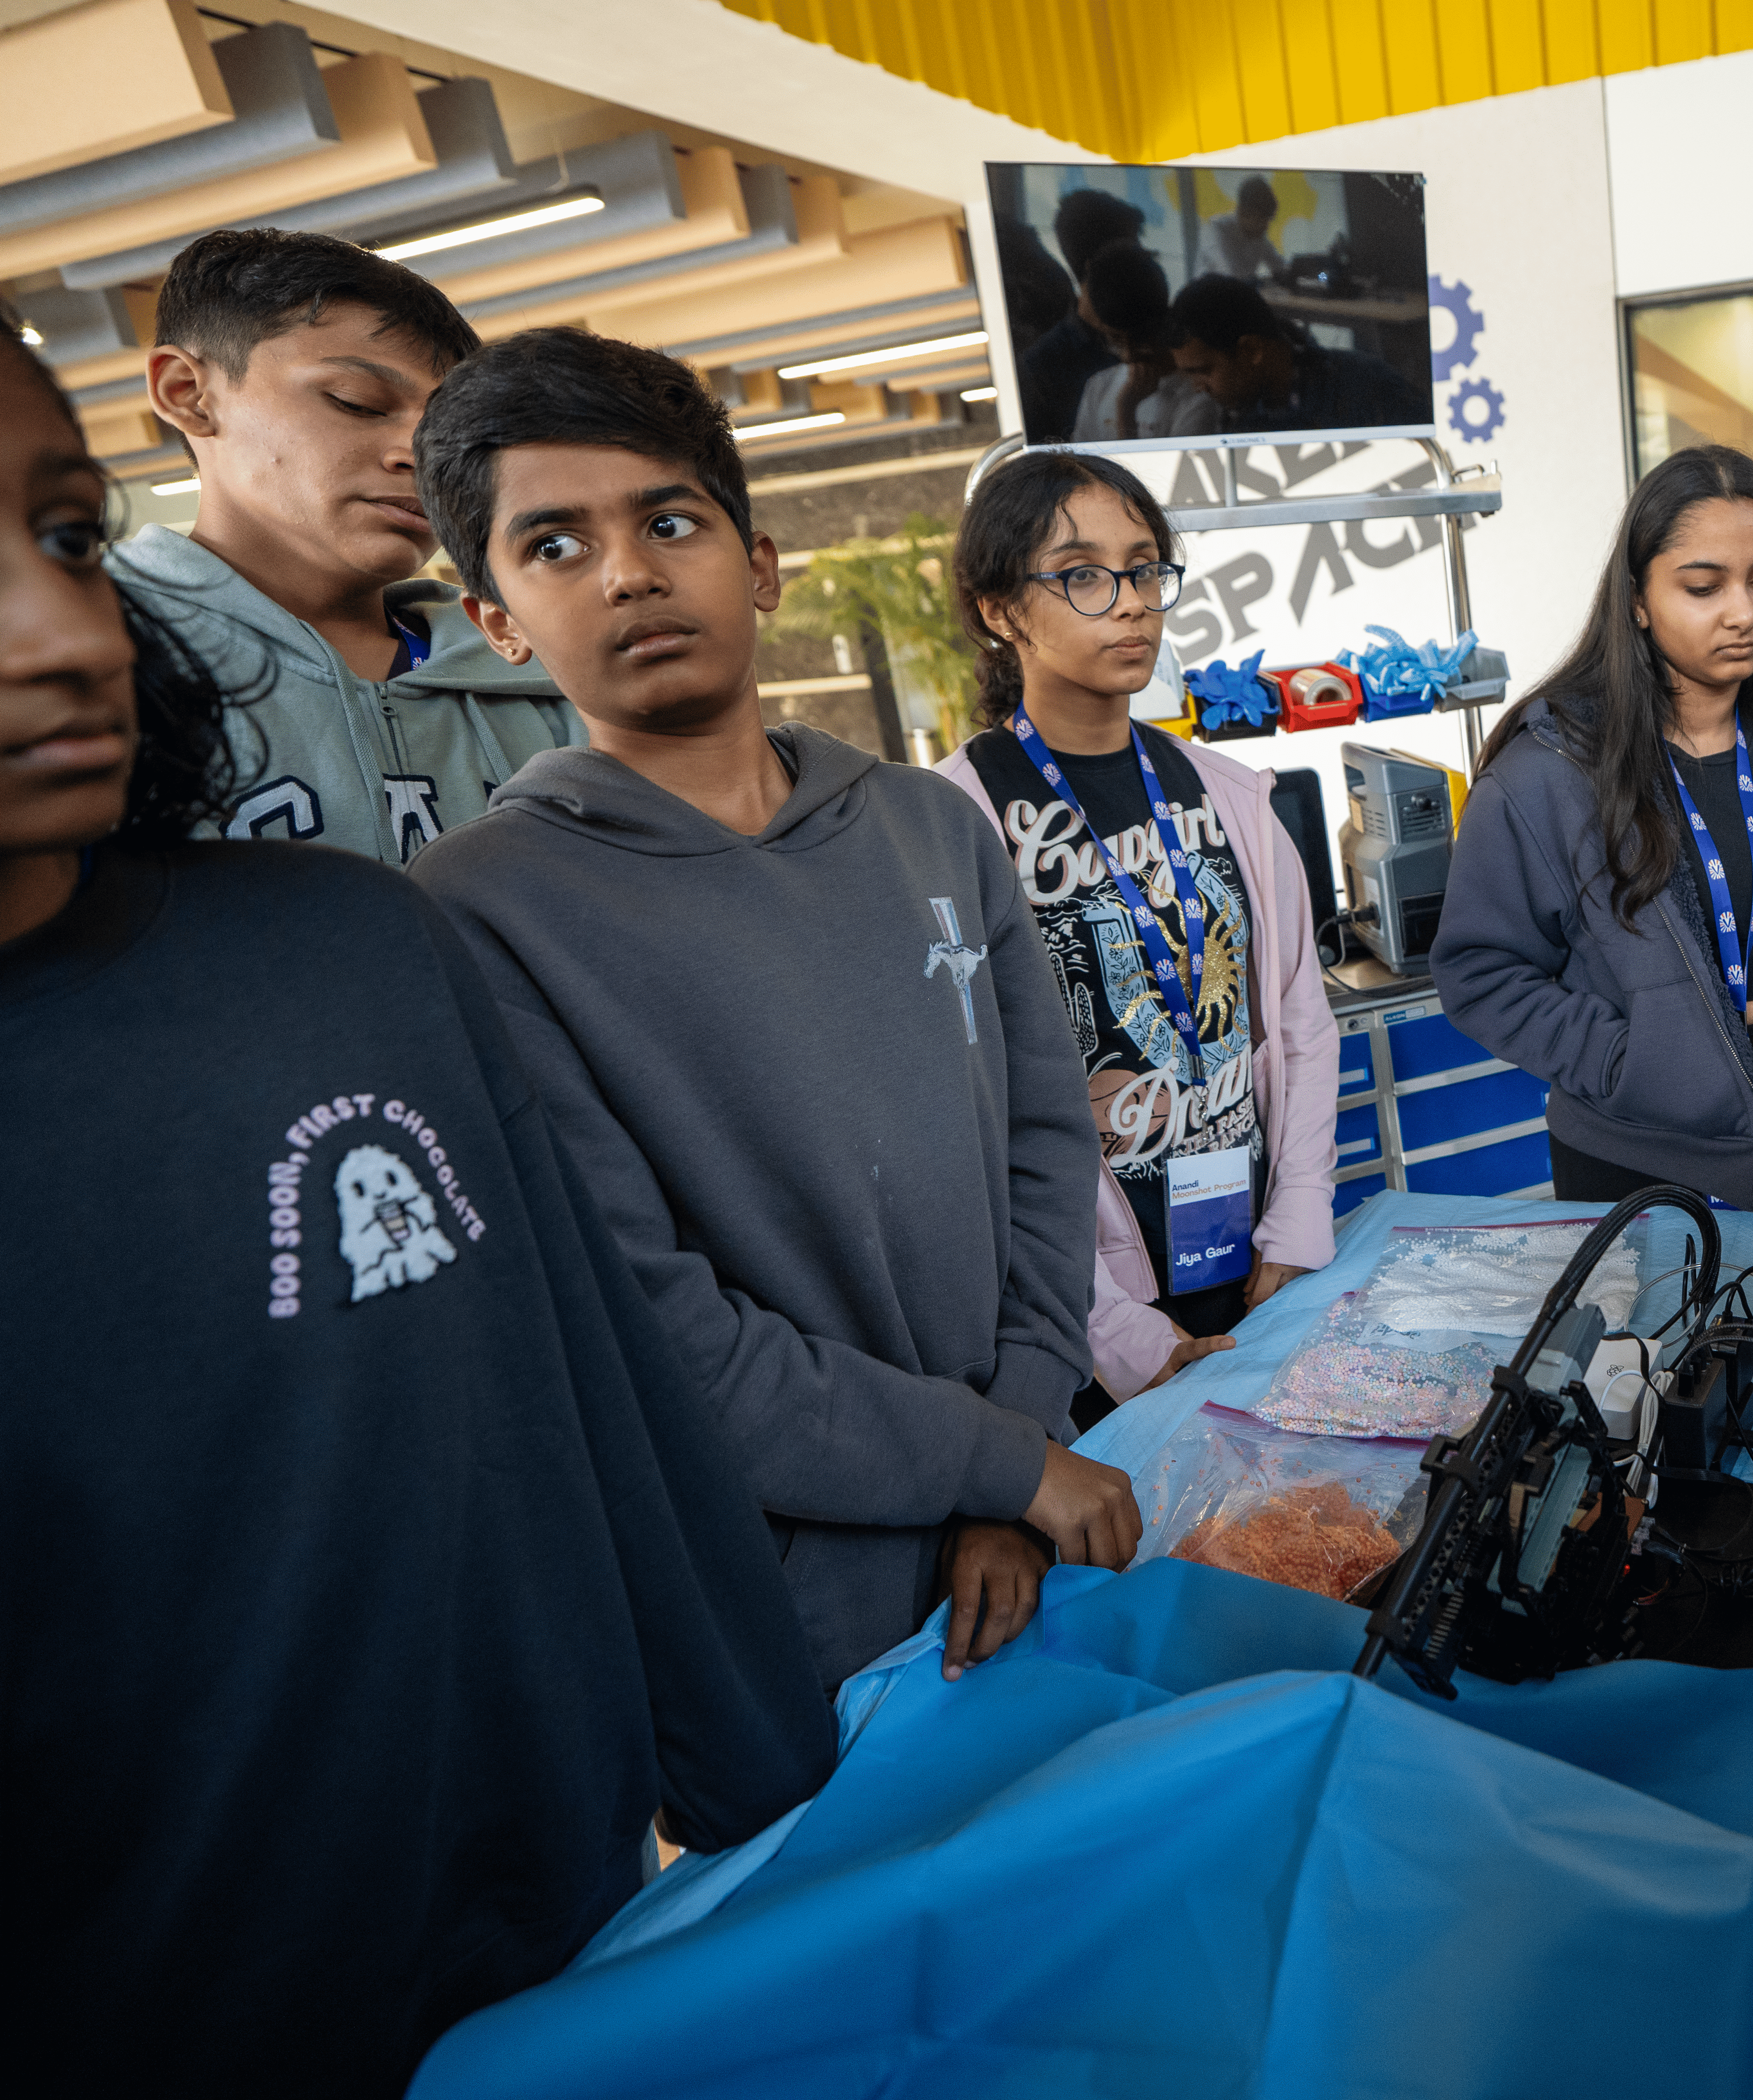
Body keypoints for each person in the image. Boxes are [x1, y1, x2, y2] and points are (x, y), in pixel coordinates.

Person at [0, 325, 831, 2095]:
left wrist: (781, 1810)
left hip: (578, 1956)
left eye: (67, 541)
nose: (59, 637)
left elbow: (597, 1385)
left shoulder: (344, 946)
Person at [406, 328, 1132, 1693]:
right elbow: (652, 1333)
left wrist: (1017, 1455)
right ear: (495, 619)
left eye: (669, 519)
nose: (628, 570)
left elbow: (1046, 1150)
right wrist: (999, 1463)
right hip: (782, 1615)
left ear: (758, 563)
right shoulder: (479, 909)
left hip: (1033, 1530)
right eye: (553, 546)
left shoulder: (927, 826)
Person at [935, 449, 1336, 1418]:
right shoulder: (952, 822)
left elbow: (1299, 1018)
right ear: (999, 608)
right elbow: (970, 1123)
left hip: (1259, 1264)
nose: (1130, 602)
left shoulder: (1230, 792)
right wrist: (1118, 1332)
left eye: (1146, 567)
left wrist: (1295, 1228)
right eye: (1082, 575)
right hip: (1094, 1313)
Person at [1433, 444, 1753, 1209]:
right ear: (1636, 600)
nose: (1743, 613)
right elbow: (1481, 974)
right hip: (1645, 1156)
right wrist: (1633, 1065)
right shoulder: (1549, 771)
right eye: (1703, 586)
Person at [108, 228, 581, 864]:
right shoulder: (96, 660)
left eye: (447, 431)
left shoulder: (543, 671)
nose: (420, 457)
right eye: (356, 403)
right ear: (188, 395)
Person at [1169, 275, 1429, 437]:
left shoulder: (1367, 386)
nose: (1198, 387)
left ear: (1252, 351)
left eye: (1204, 370)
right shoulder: (1229, 412)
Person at [1015, 188, 1145, 441]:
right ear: (1094, 269)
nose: (1141, 265)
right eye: (1130, 256)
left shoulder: (1168, 340)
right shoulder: (1041, 371)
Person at [1071, 238, 1220, 445]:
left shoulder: (1199, 396)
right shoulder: (1100, 386)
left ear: (1161, 323)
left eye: (1139, 339)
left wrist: (1127, 411)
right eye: (1115, 340)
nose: (1128, 355)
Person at [1204, 176, 1283, 282]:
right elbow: (1234, 276)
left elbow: (1279, 266)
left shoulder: (1257, 235)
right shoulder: (1219, 229)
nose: (1266, 227)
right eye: (1261, 220)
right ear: (1243, 213)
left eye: (1268, 220)